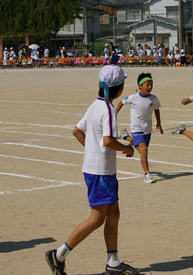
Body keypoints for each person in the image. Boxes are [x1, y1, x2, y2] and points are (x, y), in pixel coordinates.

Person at [45, 64, 139, 275]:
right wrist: (127, 148)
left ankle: (113, 261)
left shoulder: (95, 105)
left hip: (97, 169)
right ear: (120, 88)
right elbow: (107, 140)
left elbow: (77, 131)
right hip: (101, 172)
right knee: (97, 219)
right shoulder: (108, 110)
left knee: (114, 212)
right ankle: (58, 254)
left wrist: (92, 149)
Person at [116, 73, 162, 183]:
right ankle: (147, 174)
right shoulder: (133, 98)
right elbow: (121, 103)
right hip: (136, 128)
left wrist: (158, 123)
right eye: (147, 84)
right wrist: (114, 114)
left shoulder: (153, 99)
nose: (150, 87)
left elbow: (156, 109)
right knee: (144, 149)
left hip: (147, 129)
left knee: (142, 151)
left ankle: (126, 137)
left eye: (151, 84)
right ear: (140, 86)